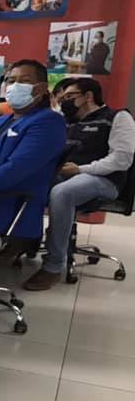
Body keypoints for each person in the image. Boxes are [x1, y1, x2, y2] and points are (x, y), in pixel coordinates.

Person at [23, 78, 135, 290]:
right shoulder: (67, 122)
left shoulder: (117, 117)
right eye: (62, 98)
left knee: (62, 193)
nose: (64, 102)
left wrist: (81, 169)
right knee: (25, 180)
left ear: (88, 96)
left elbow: (121, 159)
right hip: (65, 175)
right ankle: (22, 241)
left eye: (69, 97)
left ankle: (53, 267)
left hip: (104, 180)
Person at [0, 59, 67, 257]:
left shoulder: (48, 123)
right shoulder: (0, 121)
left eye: (24, 81)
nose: (15, 86)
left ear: (41, 88)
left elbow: (13, 171)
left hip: (1, 200)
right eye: (11, 81)